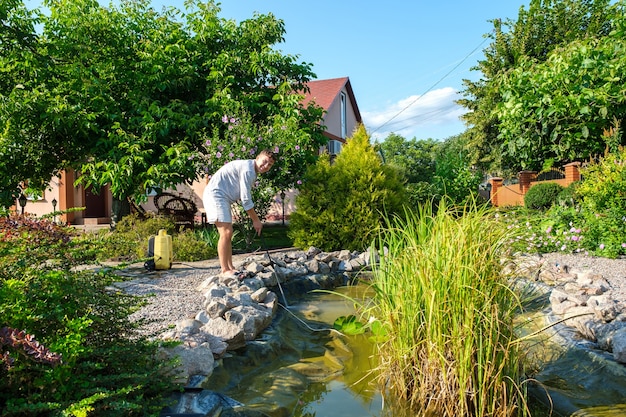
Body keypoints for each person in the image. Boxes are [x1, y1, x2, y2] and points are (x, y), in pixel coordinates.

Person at [202, 149, 276, 277]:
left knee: (228, 232)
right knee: (225, 232)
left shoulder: (251, 169)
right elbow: (245, 199)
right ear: (258, 158)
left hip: (222, 197)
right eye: (264, 161)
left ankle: (230, 267)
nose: (265, 166)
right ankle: (225, 270)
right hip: (216, 195)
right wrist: (256, 220)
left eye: (269, 165)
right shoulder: (248, 170)